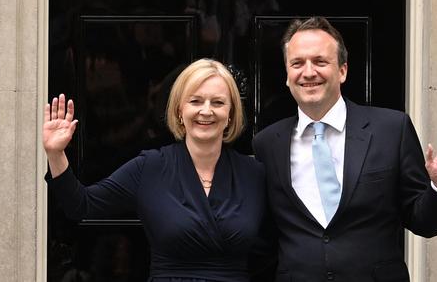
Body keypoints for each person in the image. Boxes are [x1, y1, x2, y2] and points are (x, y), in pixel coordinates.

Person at [252, 17, 437, 282]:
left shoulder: (392, 129)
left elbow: (423, 223)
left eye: (320, 61)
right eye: (297, 63)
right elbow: (264, 238)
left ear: (343, 70)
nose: (309, 72)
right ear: (287, 75)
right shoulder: (267, 144)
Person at [44, 59, 270, 282]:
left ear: (231, 114)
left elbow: (285, 241)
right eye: (196, 101)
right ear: (180, 110)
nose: (206, 110)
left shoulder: (254, 174)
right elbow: (81, 205)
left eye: (218, 102)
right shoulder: (149, 167)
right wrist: (56, 154)